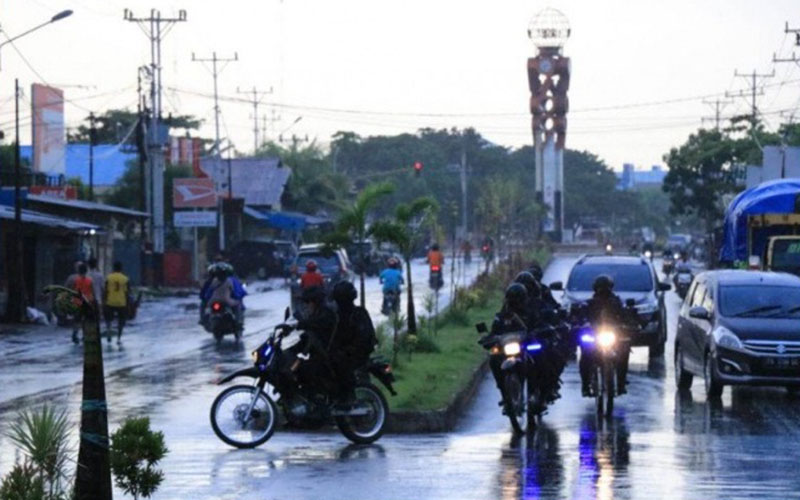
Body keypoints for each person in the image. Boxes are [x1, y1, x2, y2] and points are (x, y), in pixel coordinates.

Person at [579, 275, 632, 396]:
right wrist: (580, 325)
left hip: (613, 335)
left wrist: (628, 325)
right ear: (595, 288)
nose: (603, 290)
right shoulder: (589, 303)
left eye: (606, 288)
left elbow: (626, 316)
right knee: (585, 354)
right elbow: (580, 317)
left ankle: (621, 382)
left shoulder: (617, 302)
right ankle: (585, 385)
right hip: (594, 336)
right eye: (600, 288)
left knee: (624, 351)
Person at [480, 283, 529, 407]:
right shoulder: (500, 316)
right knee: (493, 359)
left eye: (517, 299)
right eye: (512, 299)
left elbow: (533, 326)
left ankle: (534, 390)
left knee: (536, 359)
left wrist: (533, 334)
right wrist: (488, 338)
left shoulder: (528, 313)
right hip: (505, 347)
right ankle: (503, 391)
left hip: (523, 346)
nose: (514, 303)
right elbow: (494, 331)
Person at [330, 281, 377, 405]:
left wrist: (347, 350)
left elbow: (364, 338)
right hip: (346, 354)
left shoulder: (357, 314)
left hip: (355, 356)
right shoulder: (336, 315)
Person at [205, 263, 245, 330]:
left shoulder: (214, 281)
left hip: (213, 300)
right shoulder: (229, 281)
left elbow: (209, 291)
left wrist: (207, 298)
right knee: (237, 305)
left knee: (208, 310)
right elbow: (234, 291)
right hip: (226, 300)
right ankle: (238, 322)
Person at [68, 263, 95, 344]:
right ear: (86, 271)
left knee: (76, 320)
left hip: (77, 302)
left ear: (78, 271)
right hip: (87, 303)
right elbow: (92, 292)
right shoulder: (90, 281)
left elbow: (72, 290)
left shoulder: (75, 280)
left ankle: (75, 334)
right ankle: (84, 335)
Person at [104, 261, 129, 344]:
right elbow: (127, 292)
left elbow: (106, 290)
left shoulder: (109, 277)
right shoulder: (125, 279)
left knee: (108, 319)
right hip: (121, 302)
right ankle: (118, 338)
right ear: (121, 269)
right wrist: (128, 303)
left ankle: (109, 331)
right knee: (121, 320)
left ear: (113, 268)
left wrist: (104, 300)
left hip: (110, 301)